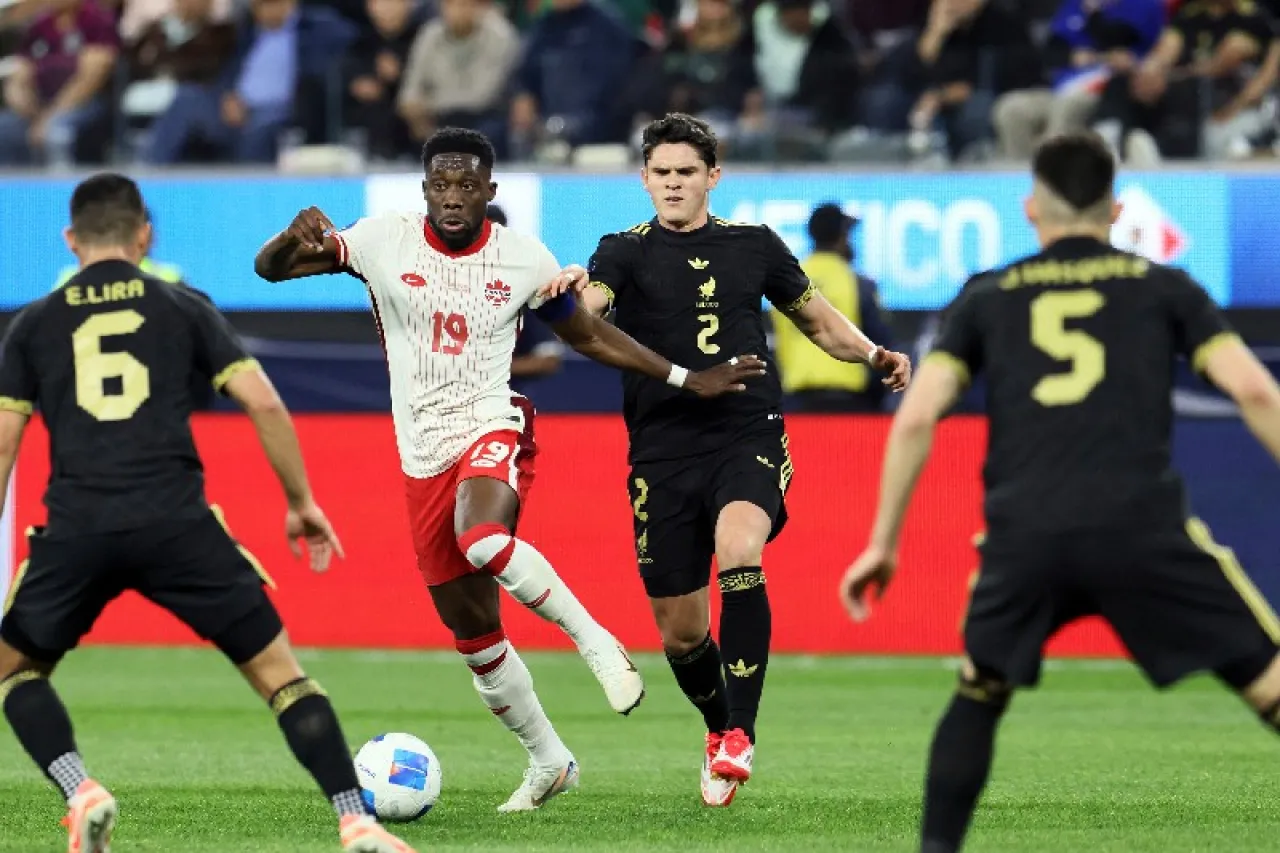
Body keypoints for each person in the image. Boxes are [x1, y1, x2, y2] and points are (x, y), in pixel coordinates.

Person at [253, 127, 764, 812]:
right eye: (442, 184)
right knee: (475, 637)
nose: (453, 197)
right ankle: (549, 760)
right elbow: (271, 270)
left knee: (483, 538)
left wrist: (682, 376)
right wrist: (288, 237)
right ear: (425, 189)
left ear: (489, 191)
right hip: (421, 452)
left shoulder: (522, 258)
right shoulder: (380, 240)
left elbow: (588, 333)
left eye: (468, 185)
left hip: (494, 422)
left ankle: (596, 642)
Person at [839, 131, 1280, 853]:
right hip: (1141, 528)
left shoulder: (988, 295)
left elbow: (916, 416)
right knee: (1268, 683)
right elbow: (1255, 390)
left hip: (1026, 534)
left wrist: (882, 543)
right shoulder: (1163, 286)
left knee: (980, 690)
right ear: (1115, 209)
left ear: (1031, 208)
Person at [0, 174, 415, 853]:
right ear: (144, 235)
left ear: (71, 239)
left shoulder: (33, 324)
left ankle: (82, 791)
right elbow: (265, 402)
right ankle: (355, 819)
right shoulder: (183, 306)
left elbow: (5, 444)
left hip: (77, 527)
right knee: (282, 677)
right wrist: (301, 502)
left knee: (15, 671)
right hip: (177, 524)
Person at [578, 113, 912, 807]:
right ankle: (716, 726)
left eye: (687, 172)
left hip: (745, 429)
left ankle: (741, 734)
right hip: (661, 448)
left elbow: (817, 319)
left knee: (739, 547)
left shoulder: (754, 244)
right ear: (644, 179)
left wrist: (872, 353)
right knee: (680, 630)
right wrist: (568, 296)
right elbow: (591, 309)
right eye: (662, 173)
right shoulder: (622, 251)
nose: (674, 183)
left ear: (713, 177)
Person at [772, 202, 895, 413]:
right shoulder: (857, 283)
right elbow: (881, 347)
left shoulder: (785, 281)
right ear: (841, 237)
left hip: (797, 402)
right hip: (848, 401)